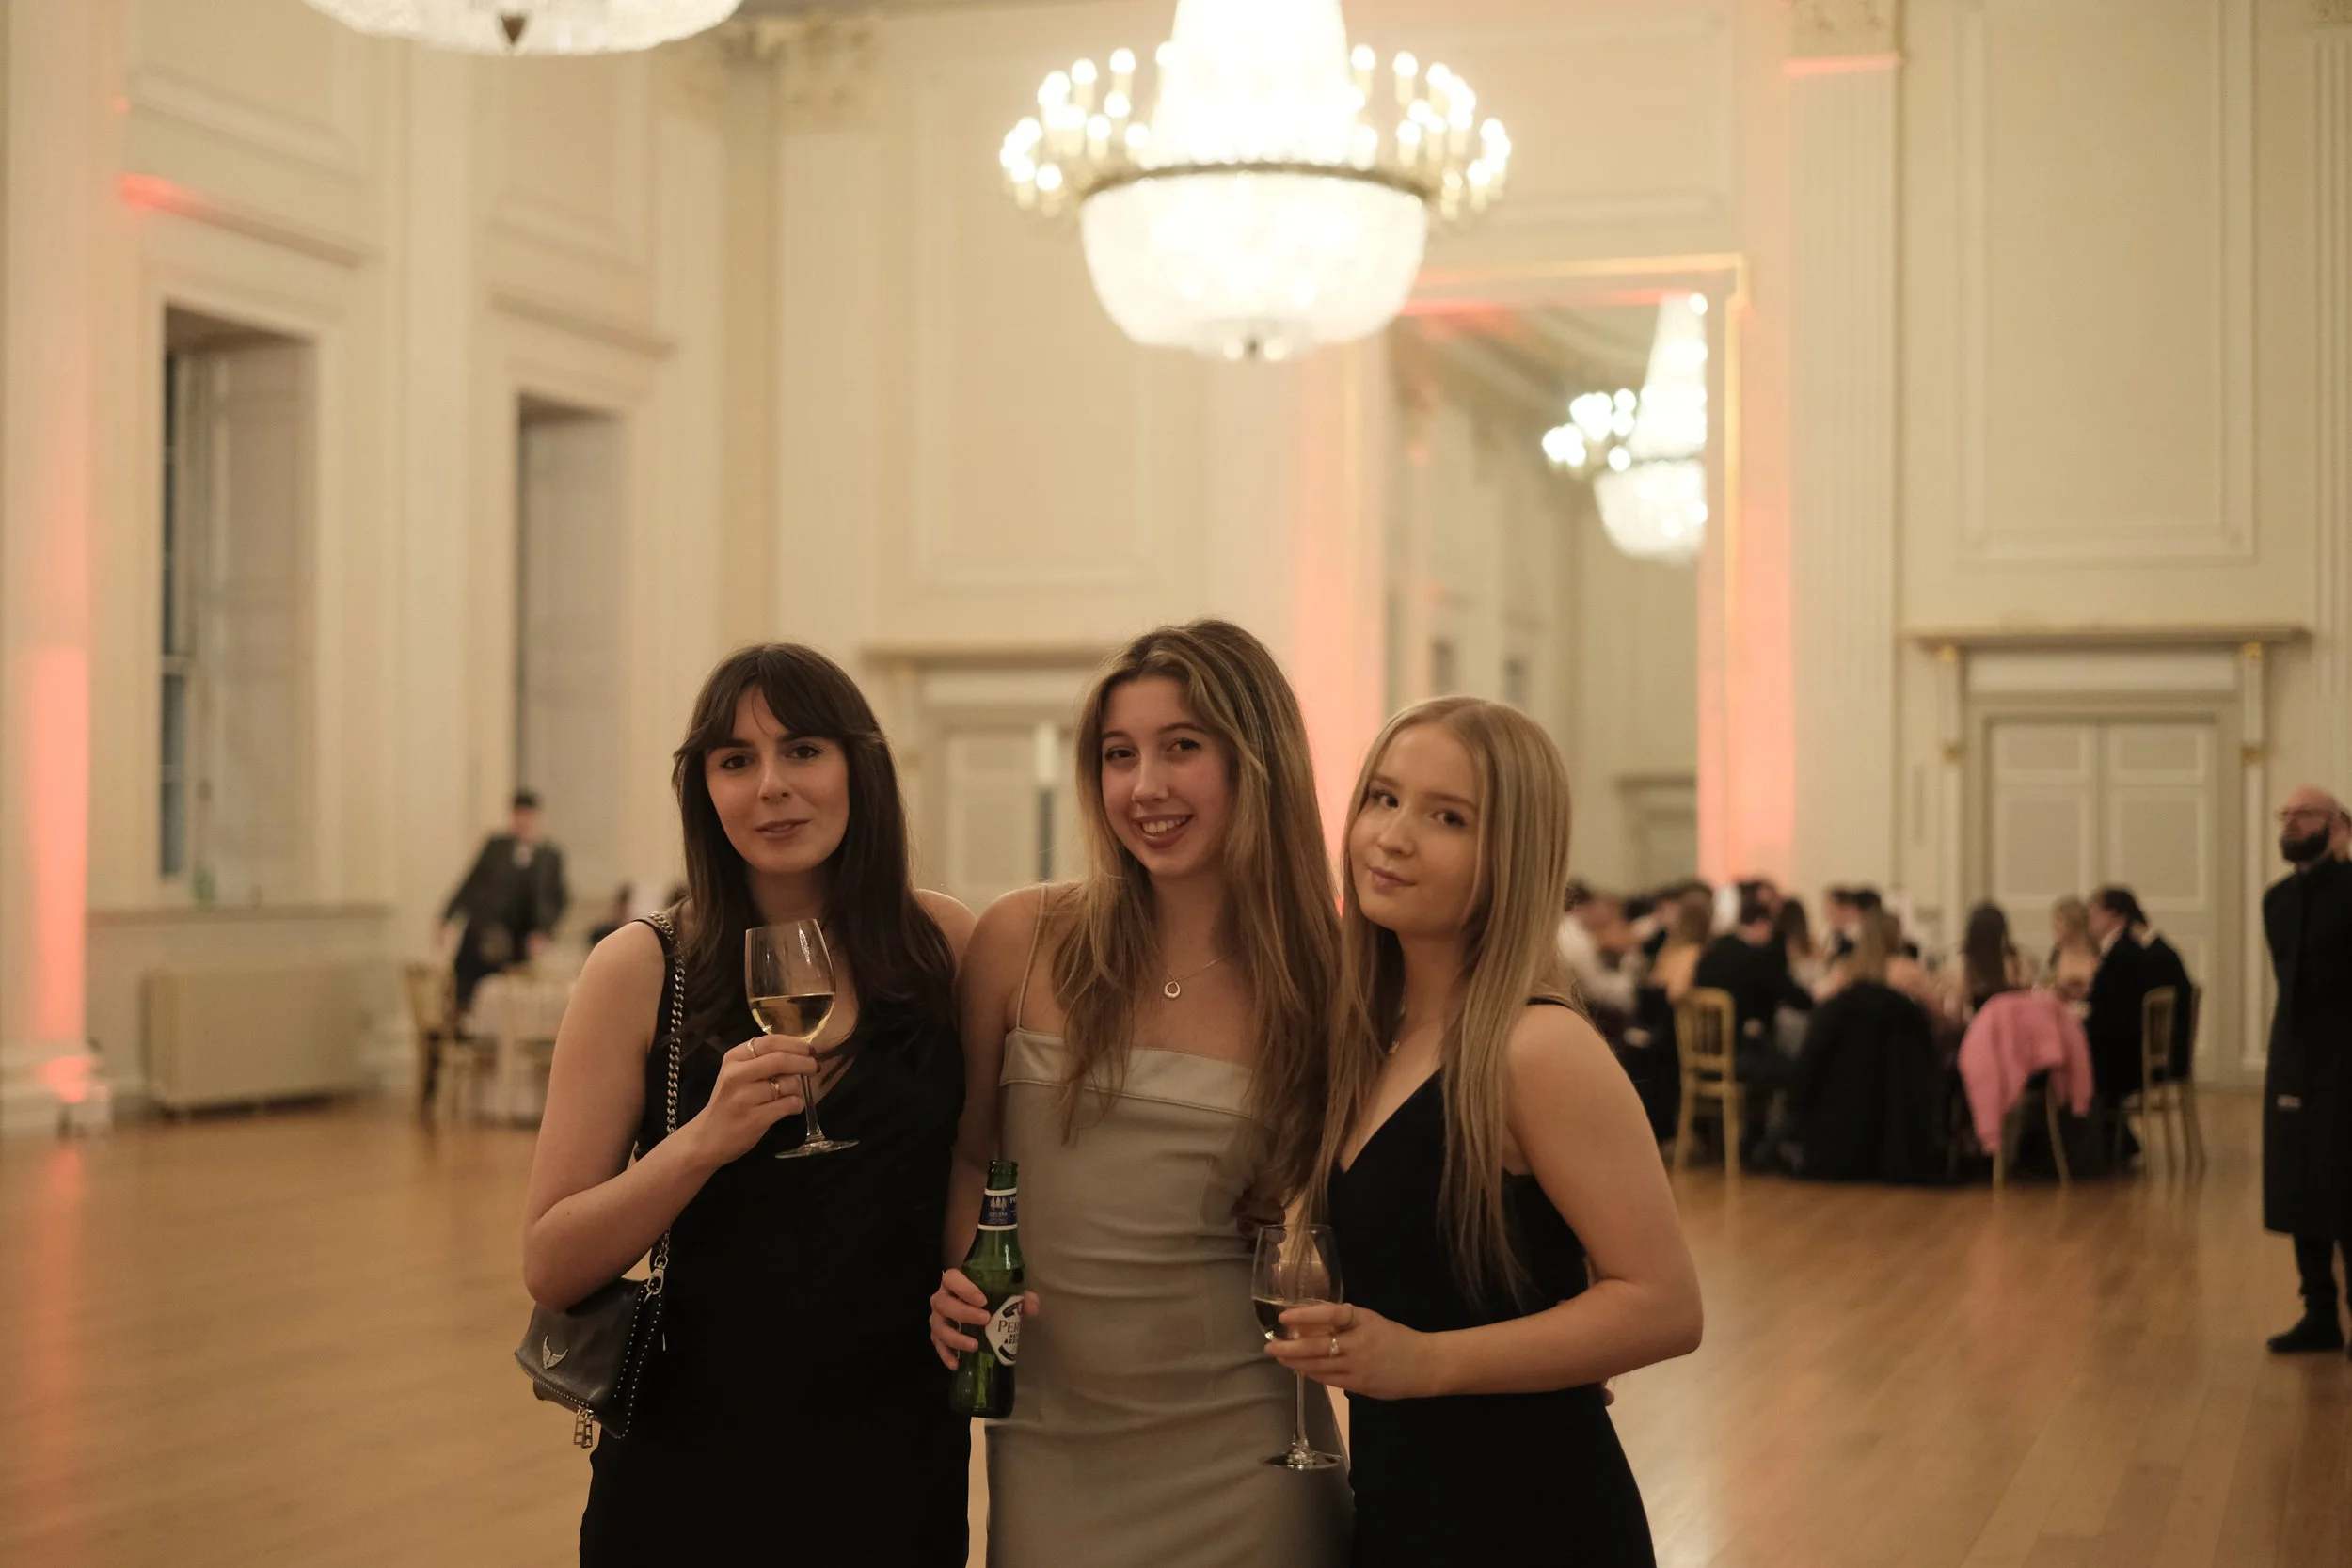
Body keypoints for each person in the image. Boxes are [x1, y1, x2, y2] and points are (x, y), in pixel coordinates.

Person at [523, 644, 976, 1564]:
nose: (771, 785)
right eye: (736, 760)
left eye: (802, 749)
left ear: (861, 766)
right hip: (692, 1459)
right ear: (706, 789)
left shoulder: (945, 949)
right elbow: (551, 1261)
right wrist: (700, 1143)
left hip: (892, 1454)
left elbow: (994, 1165)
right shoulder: (643, 967)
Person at [930, 621, 1350, 1566]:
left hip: (1246, 1445)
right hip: (1048, 1433)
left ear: (1258, 761)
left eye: (1182, 747)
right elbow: (969, 1147)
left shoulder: (1326, 981)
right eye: (1119, 754)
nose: (1144, 787)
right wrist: (960, 1276)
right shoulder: (1022, 938)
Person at [1272, 697, 1702, 1567]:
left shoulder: (1536, 1046)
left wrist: (1424, 1361)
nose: (1392, 836)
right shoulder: (1370, 1035)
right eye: (1383, 798)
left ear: (1511, 854)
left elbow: (1665, 1305)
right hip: (1402, 1505)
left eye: (1447, 817)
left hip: (1532, 1515)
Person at [2260, 785, 2352, 1357]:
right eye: (2285, 815)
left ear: (2339, 824)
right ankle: (2319, 1314)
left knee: (2346, 1183)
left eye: (2304, 813)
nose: (2292, 822)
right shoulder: (2276, 900)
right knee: (2299, 1184)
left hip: (2349, 1058)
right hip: (2294, 1054)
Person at [1778, 915, 1945, 1183]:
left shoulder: (1845, 971)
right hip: (1898, 1083)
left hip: (1844, 1080)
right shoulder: (1908, 970)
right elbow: (1939, 1016)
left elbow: (1820, 1011)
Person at [442, 790, 570, 1010]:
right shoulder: (496, 846)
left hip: (520, 938)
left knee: (513, 996)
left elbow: (559, 898)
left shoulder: (550, 855)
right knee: (468, 989)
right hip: (485, 931)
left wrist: (545, 931)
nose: (523, 820)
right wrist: (447, 916)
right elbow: (471, 882)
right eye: (518, 814)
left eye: (527, 815)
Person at [2083, 887, 2154, 1102]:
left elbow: (2112, 1013)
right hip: (2126, 1049)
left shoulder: (2122, 954)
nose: (2090, 916)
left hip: (2119, 1058)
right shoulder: (2125, 950)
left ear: (2116, 917)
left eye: (2096, 911)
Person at [1959, 902, 2030, 1016]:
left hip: (1979, 1023)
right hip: (2010, 1020)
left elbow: (1959, 1004)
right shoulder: (2015, 959)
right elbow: (2026, 990)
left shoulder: (1965, 962)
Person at [2045, 897, 2100, 1004]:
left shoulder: (2096, 953)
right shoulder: (2057, 953)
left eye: (2060, 919)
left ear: (2074, 922)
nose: (2054, 925)